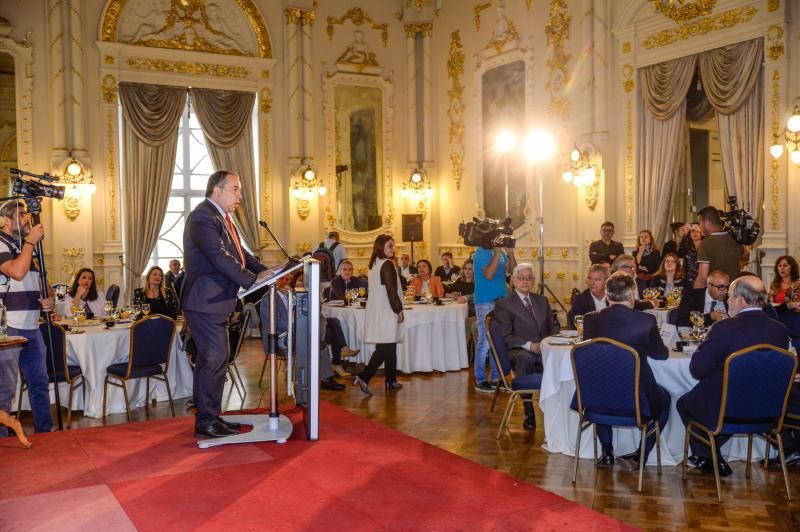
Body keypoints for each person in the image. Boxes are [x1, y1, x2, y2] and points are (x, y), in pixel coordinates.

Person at [182, 171, 272, 439]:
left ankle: (207, 415)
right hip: (205, 301)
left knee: (210, 359)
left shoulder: (221, 219)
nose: (240, 196)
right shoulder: (203, 217)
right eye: (236, 189)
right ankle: (208, 420)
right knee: (215, 358)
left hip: (212, 301)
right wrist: (251, 280)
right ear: (216, 191)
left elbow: (240, 254)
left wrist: (266, 271)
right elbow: (218, 258)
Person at [677, 275, 789, 477]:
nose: (727, 301)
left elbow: (698, 369)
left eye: (729, 297)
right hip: (768, 408)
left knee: (684, 403)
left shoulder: (724, 328)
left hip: (728, 408)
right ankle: (708, 455)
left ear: (740, 300)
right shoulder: (779, 330)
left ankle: (710, 455)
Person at [578, 272, 670, 467]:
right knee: (665, 398)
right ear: (632, 296)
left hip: (594, 399)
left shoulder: (590, 320)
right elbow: (661, 355)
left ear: (607, 296)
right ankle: (642, 453)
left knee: (602, 387)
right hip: (636, 401)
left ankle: (607, 450)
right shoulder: (646, 321)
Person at [0, 200, 54, 433]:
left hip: (32, 326)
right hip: (8, 328)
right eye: (21, 215)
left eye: (26, 214)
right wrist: (31, 240)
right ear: (6, 219)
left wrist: (49, 298)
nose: (26, 219)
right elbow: (17, 272)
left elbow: (46, 287)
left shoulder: (27, 249)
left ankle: (46, 434)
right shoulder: (1, 243)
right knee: (5, 391)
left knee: (40, 384)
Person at [493, 263, 559, 430]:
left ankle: (557, 411)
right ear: (513, 280)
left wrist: (548, 342)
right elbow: (506, 336)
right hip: (519, 350)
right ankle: (529, 411)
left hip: (545, 347)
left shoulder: (542, 300)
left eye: (529, 278)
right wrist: (530, 346)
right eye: (521, 278)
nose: (525, 281)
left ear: (533, 281)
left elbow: (554, 326)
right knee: (525, 359)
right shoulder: (504, 304)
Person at [259, 274, 345, 391]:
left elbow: (305, 310)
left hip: (294, 332)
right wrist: (296, 322)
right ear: (274, 281)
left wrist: (293, 295)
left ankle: (325, 376)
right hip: (280, 338)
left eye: (287, 279)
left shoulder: (290, 295)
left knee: (322, 335)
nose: (284, 282)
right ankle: (320, 378)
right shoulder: (268, 298)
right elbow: (274, 324)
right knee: (317, 342)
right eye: (281, 279)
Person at [354, 234, 405, 396]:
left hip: (377, 307)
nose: (393, 249)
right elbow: (391, 292)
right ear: (380, 246)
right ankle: (364, 376)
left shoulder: (374, 264)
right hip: (386, 308)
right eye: (390, 246)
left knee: (389, 344)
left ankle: (391, 379)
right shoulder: (387, 265)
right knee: (385, 346)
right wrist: (399, 310)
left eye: (393, 245)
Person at [473, 239, 516, 393]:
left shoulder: (501, 252)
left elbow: (512, 271)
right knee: (484, 342)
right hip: (485, 301)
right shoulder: (480, 252)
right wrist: (498, 252)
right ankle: (481, 379)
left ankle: (498, 379)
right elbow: (489, 274)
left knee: (498, 341)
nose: (499, 239)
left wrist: (510, 254)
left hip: (501, 301)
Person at [694, 206, 742, 288]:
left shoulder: (705, 243)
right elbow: (746, 256)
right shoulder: (734, 239)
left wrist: (694, 296)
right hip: (735, 290)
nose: (700, 227)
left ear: (707, 223)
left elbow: (702, 277)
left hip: (717, 291)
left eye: (700, 223)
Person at [568, 263, 610, 328]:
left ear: (606, 281)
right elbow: (578, 327)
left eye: (597, 280)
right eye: (590, 278)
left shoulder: (614, 298)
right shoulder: (580, 300)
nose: (592, 283)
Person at [678, 223, 703, 287]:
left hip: (703, 279)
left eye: (697, 231)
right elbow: (679, 253)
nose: (695, 233)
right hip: (688, 280)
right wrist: (685, 234)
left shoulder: (706, 245)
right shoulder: (687, 247)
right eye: (692, 231)